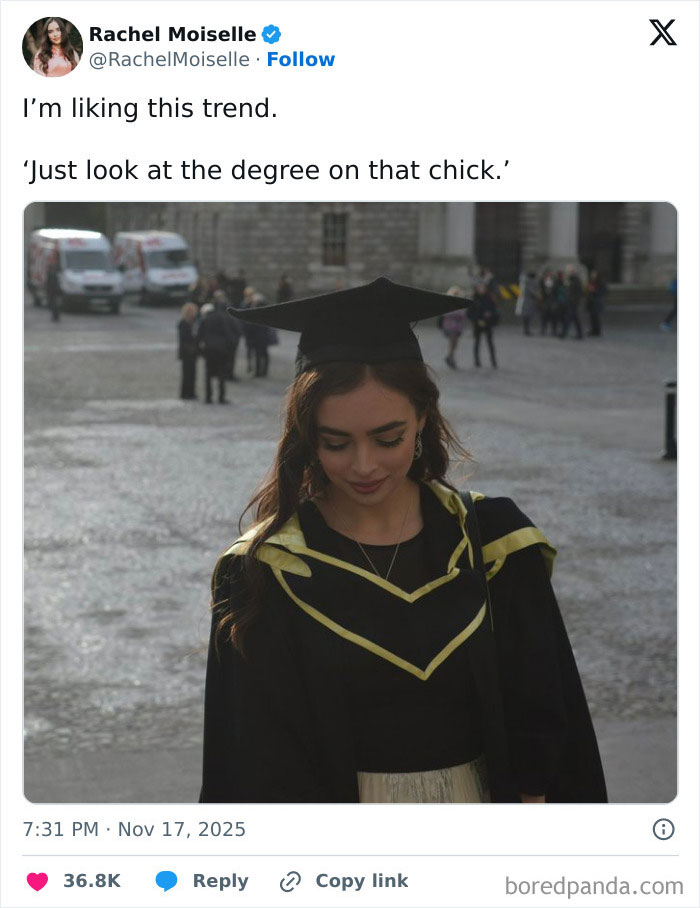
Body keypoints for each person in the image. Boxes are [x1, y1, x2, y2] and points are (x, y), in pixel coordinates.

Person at [200, 277, 606, 804]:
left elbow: (546, 717)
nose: (364, 466)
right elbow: (252, 766)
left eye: (388, 438)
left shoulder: (495, 545)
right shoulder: (264, 572)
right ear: (307, 437)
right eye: (337, 443)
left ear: (422, 421)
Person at [197, 302, 235, 404]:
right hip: (222, 350)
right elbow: (228, 335)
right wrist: (229, 350)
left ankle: (208, 397)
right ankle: (221, 397)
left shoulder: (204, 320)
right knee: (221, 375)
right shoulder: (222, 318)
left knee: (208, 375)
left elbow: (198, 337)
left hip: (209, 350)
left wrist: (200, 352)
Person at [467, 281, 499, 368]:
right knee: (477, 342)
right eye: (479, 287)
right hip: (477, 324)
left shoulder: (489, 298)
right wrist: (477, 320)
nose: (481, 289)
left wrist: (489, 316)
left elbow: (493, 310)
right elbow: (469, 313)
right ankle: (477, 361)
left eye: (483, 287)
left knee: (490, 342)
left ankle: (493, 360)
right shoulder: (474, 299)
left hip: (487, 323)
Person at [441, 285, 468, 369]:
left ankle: (450, 356)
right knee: (452, 342)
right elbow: (447, 313)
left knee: (455, 343)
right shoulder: (448, 303)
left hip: (458, 327)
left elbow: (463, 314)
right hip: (450, 327)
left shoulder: (461, 303)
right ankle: (450, 357)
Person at [177, 302, 199, 400]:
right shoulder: (183, 323)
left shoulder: (194, 322)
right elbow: (183, 338)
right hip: (186, 352)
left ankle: (191, 392)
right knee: (186, 374)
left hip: (193, 351)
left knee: (193, 373)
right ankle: (185, 393)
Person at [560, 265, 584, 339]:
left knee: (568, 318)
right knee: (575, 318)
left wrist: (573, 300)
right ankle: (580, 334)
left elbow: (578, 292)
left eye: (568, 271)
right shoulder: (571, 280)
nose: (567, 273)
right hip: (571, 302)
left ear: (572, 272)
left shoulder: (576, 280)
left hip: (573, 302)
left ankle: (564, 333)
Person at [516, 271, 539, 336]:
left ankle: (526, 329)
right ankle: (526, 330)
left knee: (526, 316)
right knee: (527, 316)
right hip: (529, 301)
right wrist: (538, 295)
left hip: (525, 300)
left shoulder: (525, 282)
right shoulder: (530, 282)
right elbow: (533, 292)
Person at [585, 270, 606, 337]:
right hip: (591, 302)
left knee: (596, 318)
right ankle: (593, 330)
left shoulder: (601, 282)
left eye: (594, 274)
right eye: (592, 274)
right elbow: (588, 291)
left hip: (597, 302)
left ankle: (597, 331)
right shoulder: (591, 282)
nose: (592, 275)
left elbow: (603, 291)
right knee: (592, 317)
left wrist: (594, 291)